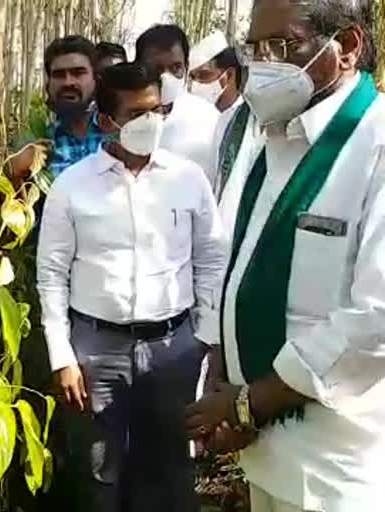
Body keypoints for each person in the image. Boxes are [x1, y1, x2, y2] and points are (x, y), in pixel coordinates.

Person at [185, 1, 385, 511]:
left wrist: (252, 403)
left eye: (284, 46)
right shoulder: (272, 138)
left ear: (346, 47)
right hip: (268, 455)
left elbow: (377, 318)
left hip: (337, 470)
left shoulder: (374, 145)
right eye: (256, 49)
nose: (266, 64)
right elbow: (244, 267)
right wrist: (226, 380)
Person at [37, 61, 226, 512]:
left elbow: (211, 256)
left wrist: (204, 333)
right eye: (138, 115)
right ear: (107, 121)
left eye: (158, 110)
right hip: (95, 349)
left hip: (173, 345)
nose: (152, 122)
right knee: (98, 467)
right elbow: (51, 275)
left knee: (169, 465)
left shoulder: (187, 179)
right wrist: (62, 356)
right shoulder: (72, 187)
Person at [9, 36, 103, 186]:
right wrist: (15, 176)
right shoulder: (35, 142)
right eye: (59, 75)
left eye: (78, 73)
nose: (68, 82)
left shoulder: (117, 135)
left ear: (96, 80)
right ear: (48, 85)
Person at [136, 24, 220, 179]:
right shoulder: (123, 117)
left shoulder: (209, 118)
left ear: (187, 67)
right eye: (156, 69)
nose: (165, 77)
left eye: (175, 67)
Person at [189, 30, 248, 197]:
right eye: (192, 78)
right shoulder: (196, 119)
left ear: (228, 75)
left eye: (203, 75)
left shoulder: (245, 121)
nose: (197, 84)